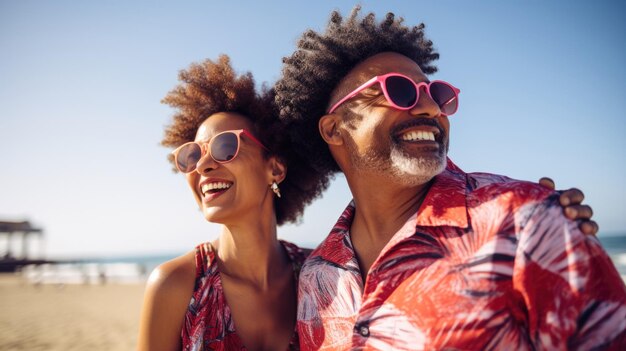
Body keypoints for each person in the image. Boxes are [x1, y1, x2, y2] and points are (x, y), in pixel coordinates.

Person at [274, 7, 626, 350]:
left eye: (436, 94)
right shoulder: (316, 276)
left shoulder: (528, 220)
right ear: (334, 129)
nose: (431, 108)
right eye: (398, 90)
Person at [137, 55, 325, 351]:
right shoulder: (174, 286)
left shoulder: (322, 277)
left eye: (225, 146)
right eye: (192, 155)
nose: (202, 166)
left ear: (275, 168)